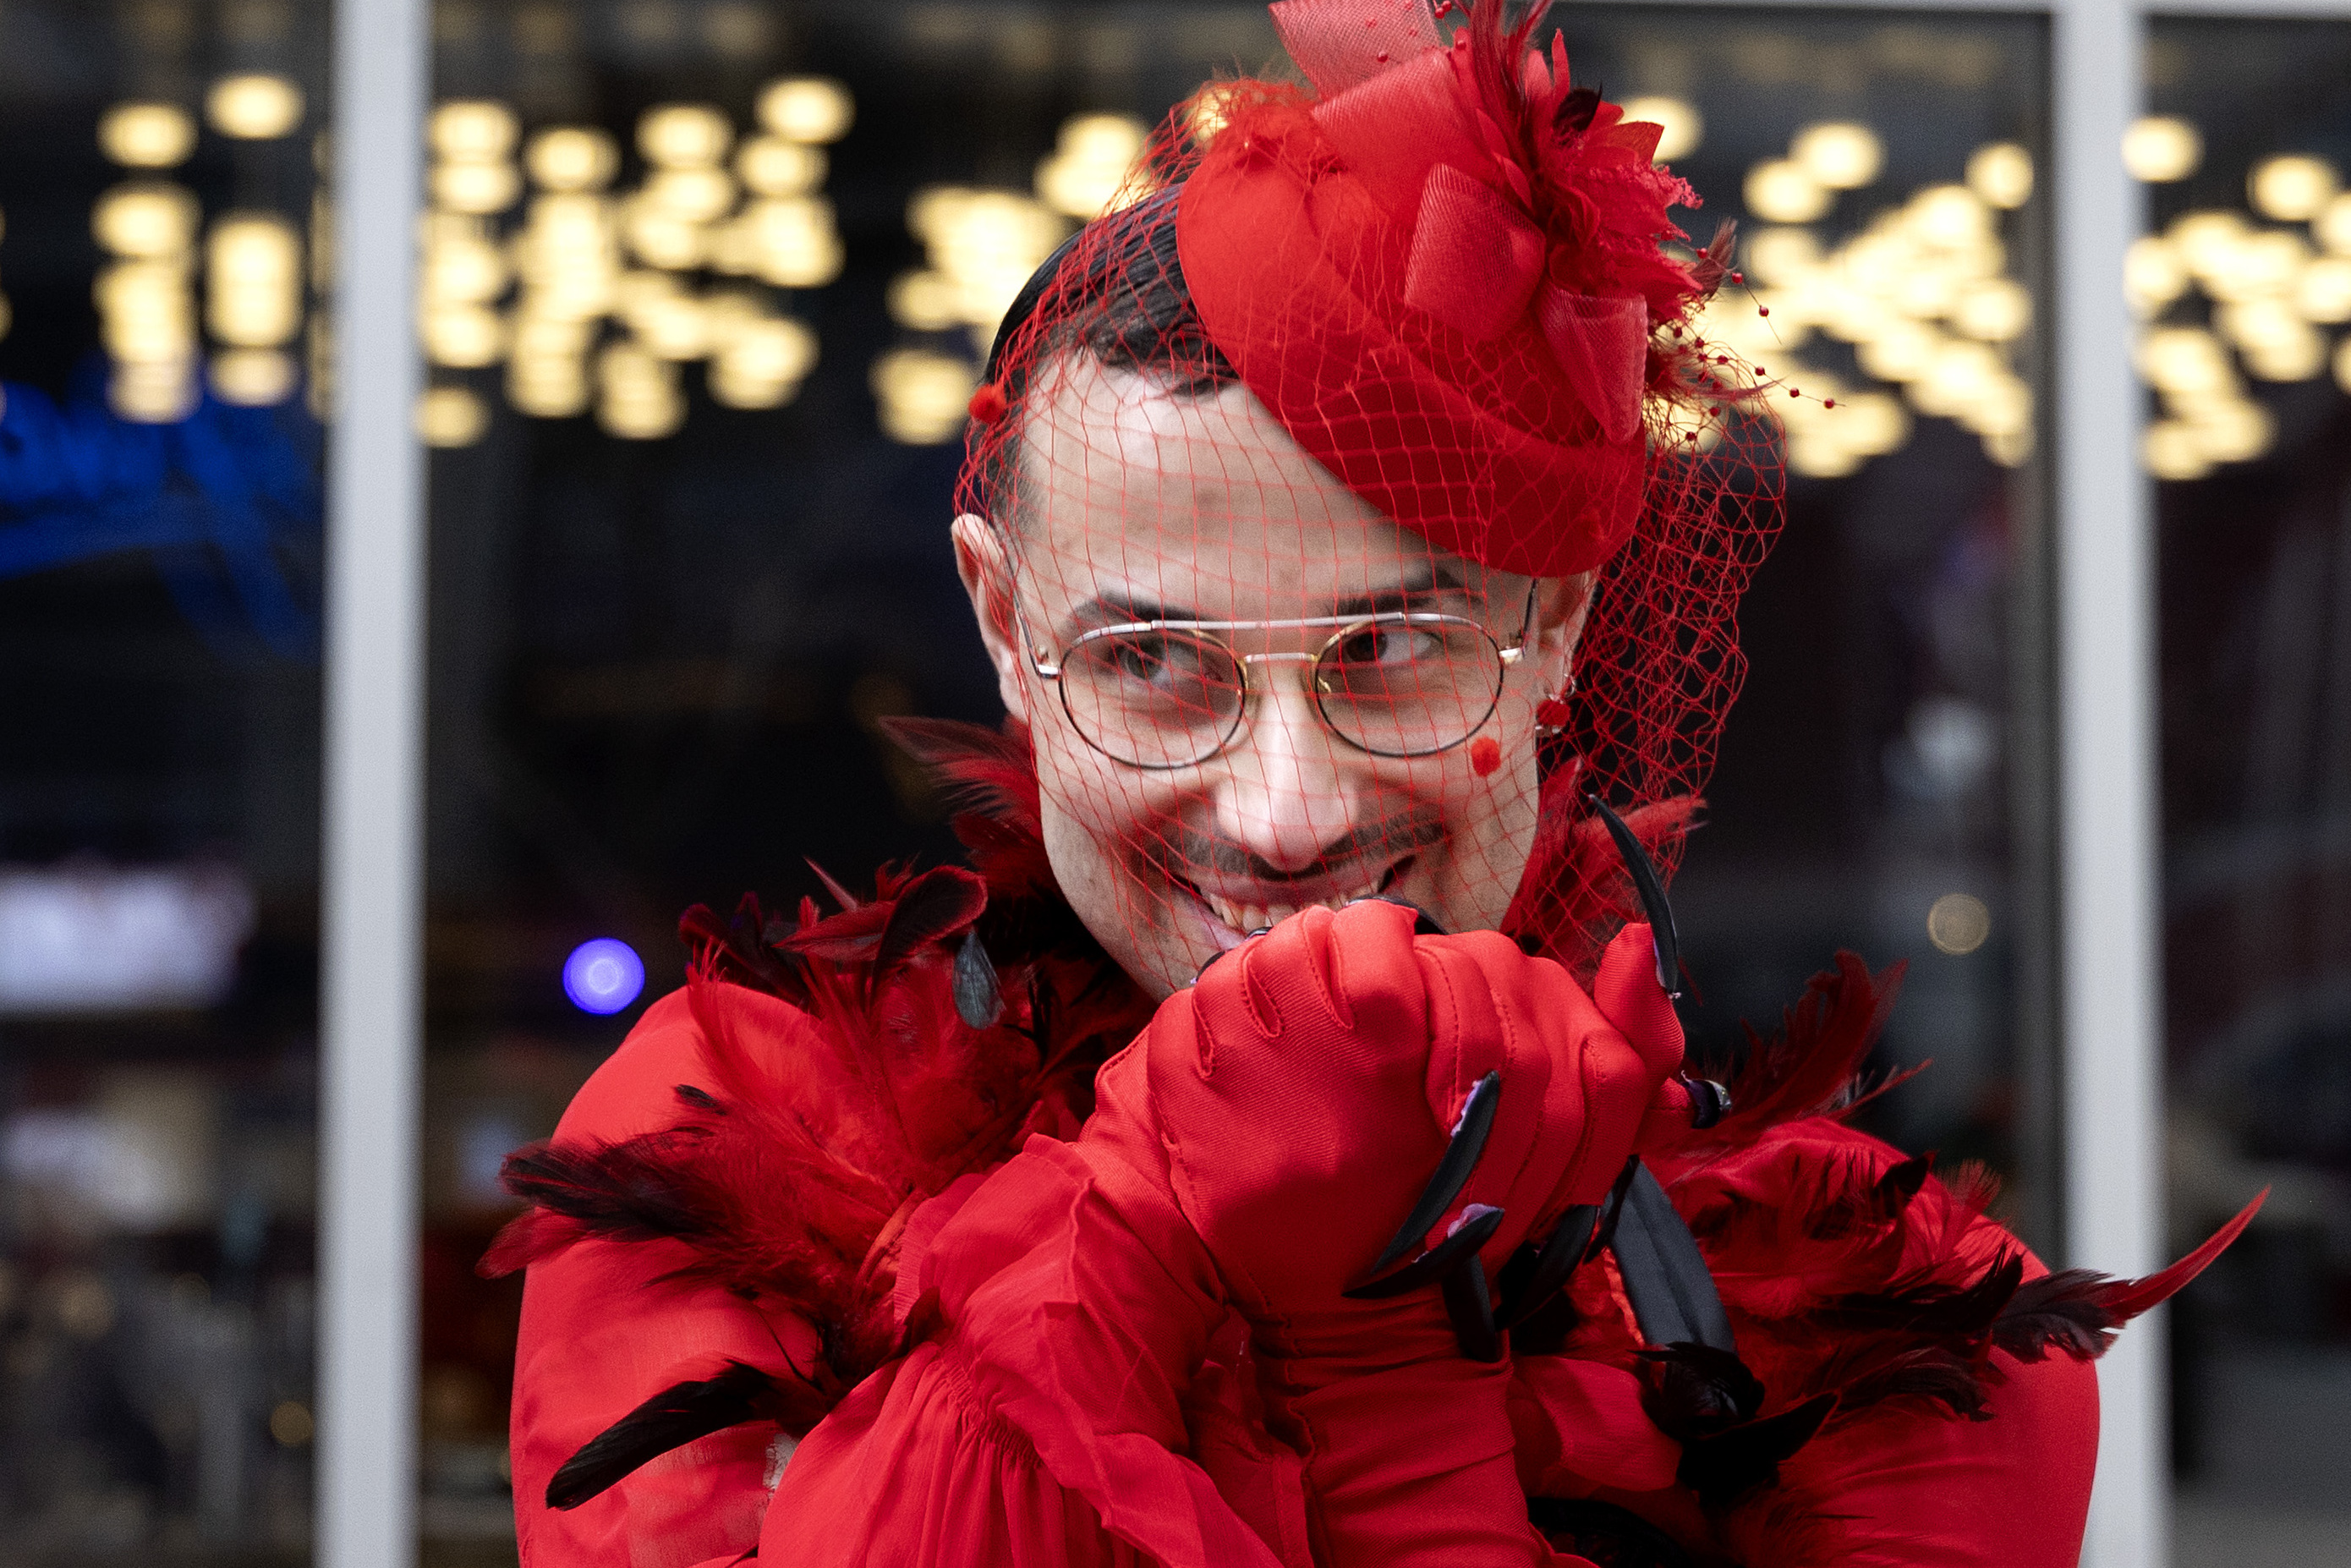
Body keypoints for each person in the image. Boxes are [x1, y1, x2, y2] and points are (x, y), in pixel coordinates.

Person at [486, 4, 2255, 1564]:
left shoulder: (1878, 1337)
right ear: (1001, 623)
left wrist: (1381, 1377)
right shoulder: (725, 1133)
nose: (1285, 813)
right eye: (1153, 664)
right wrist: (1139, 1219)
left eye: (1394, 649)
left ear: (1556, 627)